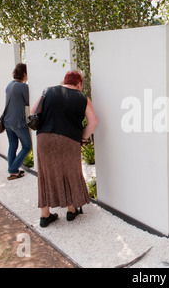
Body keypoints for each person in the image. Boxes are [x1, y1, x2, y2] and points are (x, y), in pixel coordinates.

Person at [31, 70, 98, 227]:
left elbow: (34, 112)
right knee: (70, 172)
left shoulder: (48, 91)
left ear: (64, 81)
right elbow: (93, 122)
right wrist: (83, 138)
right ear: (79, 83)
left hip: (44, 138)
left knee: (45, 174)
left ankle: (45, 215)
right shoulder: (82, 98)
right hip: (69, 140)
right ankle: (71, 210)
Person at [3, 63, 32, 180]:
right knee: (27, 146)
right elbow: (28, 102)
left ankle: (13, 172)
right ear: (24, 74)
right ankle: (13, 169)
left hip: (7, 121)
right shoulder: (23, 87)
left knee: (13, 145)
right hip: (18, 122)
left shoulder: (9, 85)